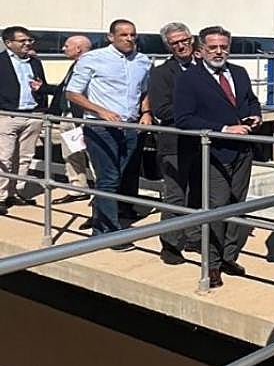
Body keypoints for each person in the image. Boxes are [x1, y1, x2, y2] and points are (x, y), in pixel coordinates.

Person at [173, 26, 262, 287]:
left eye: (224, 46)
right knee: (216, 208)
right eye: (213, 47)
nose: (219, 51)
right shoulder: (189, 79)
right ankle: (211, 264)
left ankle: (228, 256)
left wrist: (254, 115)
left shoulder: (240, 73)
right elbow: (184, 119)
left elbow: (251, 101)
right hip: (213, 152)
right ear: (200, 50)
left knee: (238, 205)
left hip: (243, 151)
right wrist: (224, 129)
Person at [66, 20, 153, 242]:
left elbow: (143, 92)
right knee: (108, 178)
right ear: (110, 37)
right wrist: (101, 111)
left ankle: (104, 217)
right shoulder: (92, 59)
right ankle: (106, 232)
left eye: (133, 34)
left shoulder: (142, 61)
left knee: (122, 176)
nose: (129, 38)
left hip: (130, 127)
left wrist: (147, 112)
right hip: (100, 127)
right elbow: (73, 93)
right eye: (123, 34)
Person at [146, 22, 199, 264]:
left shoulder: (205, 67)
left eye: (184, 40)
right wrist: (201, 114)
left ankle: (193, 236)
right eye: (174, 42)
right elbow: (163, 110)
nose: (181, 46)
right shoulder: (161, 73)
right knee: (175, 196)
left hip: (203, 144)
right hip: (174, 143)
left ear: (192, 39)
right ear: (168, 46)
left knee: (198, 193)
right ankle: (169, 244)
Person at [1, 26, 48, 209]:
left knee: (25, 157)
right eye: (22, 41)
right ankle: (1, 196)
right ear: (8, 43)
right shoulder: (1, 61)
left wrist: (43, 109)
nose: (27, 43)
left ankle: (15, 192)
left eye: (30, 40)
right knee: (4, 158)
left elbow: (41, 86)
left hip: (33, 115)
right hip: (7, 116)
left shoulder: (35, 62)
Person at [48, 34, 93, 198]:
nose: (63, 48)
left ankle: (101, 196)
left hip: (84, 118)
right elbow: (65, 90)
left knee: (93, 156)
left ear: (78, 48)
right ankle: (78, 189)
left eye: (66, 46)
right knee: (71, 155)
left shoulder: (92, 65)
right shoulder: (74, 65)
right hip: (68, 117)